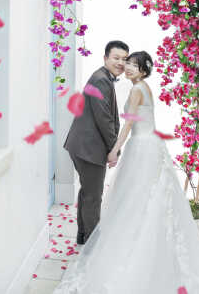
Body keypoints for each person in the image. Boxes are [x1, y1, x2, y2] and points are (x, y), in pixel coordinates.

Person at [56, 51, 199, 294]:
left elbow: (129, 125)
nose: (129, 67)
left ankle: (134, 250)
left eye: (135, 65)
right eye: (128, 63)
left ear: (144, 70)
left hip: (141, 147)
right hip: (152, 146)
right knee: (147, 198)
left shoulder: (135, 90)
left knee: (135, 199)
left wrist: (114, 150)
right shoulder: (145, 88)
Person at [63, 40, 128, 245]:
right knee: (93, 196)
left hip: (83, 145)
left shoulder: (103, 78)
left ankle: (83, 237)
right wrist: (114, 149)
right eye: (116, 58)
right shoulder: (101, 80)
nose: (120, 63)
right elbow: (104, 118)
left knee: (87, 191)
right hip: (88, 148)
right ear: (105, 58)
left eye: (124, 59)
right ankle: (92, 245)